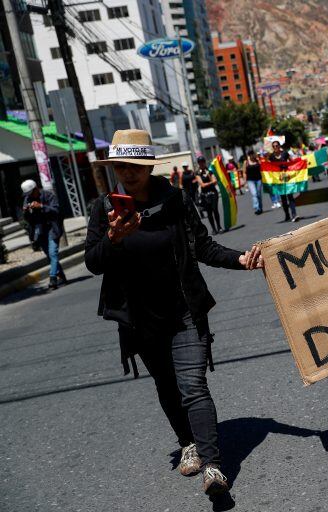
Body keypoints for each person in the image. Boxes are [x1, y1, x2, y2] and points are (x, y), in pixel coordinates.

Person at [84, 129, 264, 498]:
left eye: (135, 166)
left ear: (149, 167)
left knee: (193, 386)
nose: (128, 173)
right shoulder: (103, 209)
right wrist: (113, 238)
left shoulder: (175, 200)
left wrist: (241, 259)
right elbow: (93, 262)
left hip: (184, 310)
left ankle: (214, 468)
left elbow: (204, 246)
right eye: (121, 166)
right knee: (166, 385)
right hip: (139, 320)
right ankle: (188, 442)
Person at [21, 179, 66, 289]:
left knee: (53, 253)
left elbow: (56, 210)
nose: (30, 196)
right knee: (49, 256)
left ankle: (53, 278)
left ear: (36, 189)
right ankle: (62, 276)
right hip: (40, 231)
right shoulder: (27, 199)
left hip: (52, 228)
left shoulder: (48, 195)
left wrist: (41, 206)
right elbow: (27, 219)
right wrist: (26, 211)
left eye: (31, 193)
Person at [268, 140, 298, 222]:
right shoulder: (271, 156)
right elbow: (270, 167)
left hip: (286, 177)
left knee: (290, 196)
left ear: (279, 146)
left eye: (276, 145)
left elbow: (291, 162)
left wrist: (296, 165)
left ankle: (294, 214)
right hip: (278, 179)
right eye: (273, 146)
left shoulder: (285, 153)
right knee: (283, 198)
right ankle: (287, 215)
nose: (275, 147)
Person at [198, 165, 223, 234]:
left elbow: (215, 181)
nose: (201, 163)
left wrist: (208, 175)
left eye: (202, 162)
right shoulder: (198, 174)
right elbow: (202, 185)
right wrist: (210, 182)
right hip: (205, 195)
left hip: (213, 193)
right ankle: (214, 229)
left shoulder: (210, 172)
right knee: (209, 212)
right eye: (200, 162)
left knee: (215, 209)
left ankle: (219, 227)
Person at [244, 150, 263, 214]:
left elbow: (262, 168)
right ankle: (256, 207)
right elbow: (244, 172)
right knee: (254, 194)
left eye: (252, 154)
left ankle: (260, 207)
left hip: (258, 179)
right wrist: (245, 182)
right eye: (250, 154)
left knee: (258, 194)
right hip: (250, 180)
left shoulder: (257, 160)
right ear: (248, 155)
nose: (251, 155)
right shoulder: (246, 162)